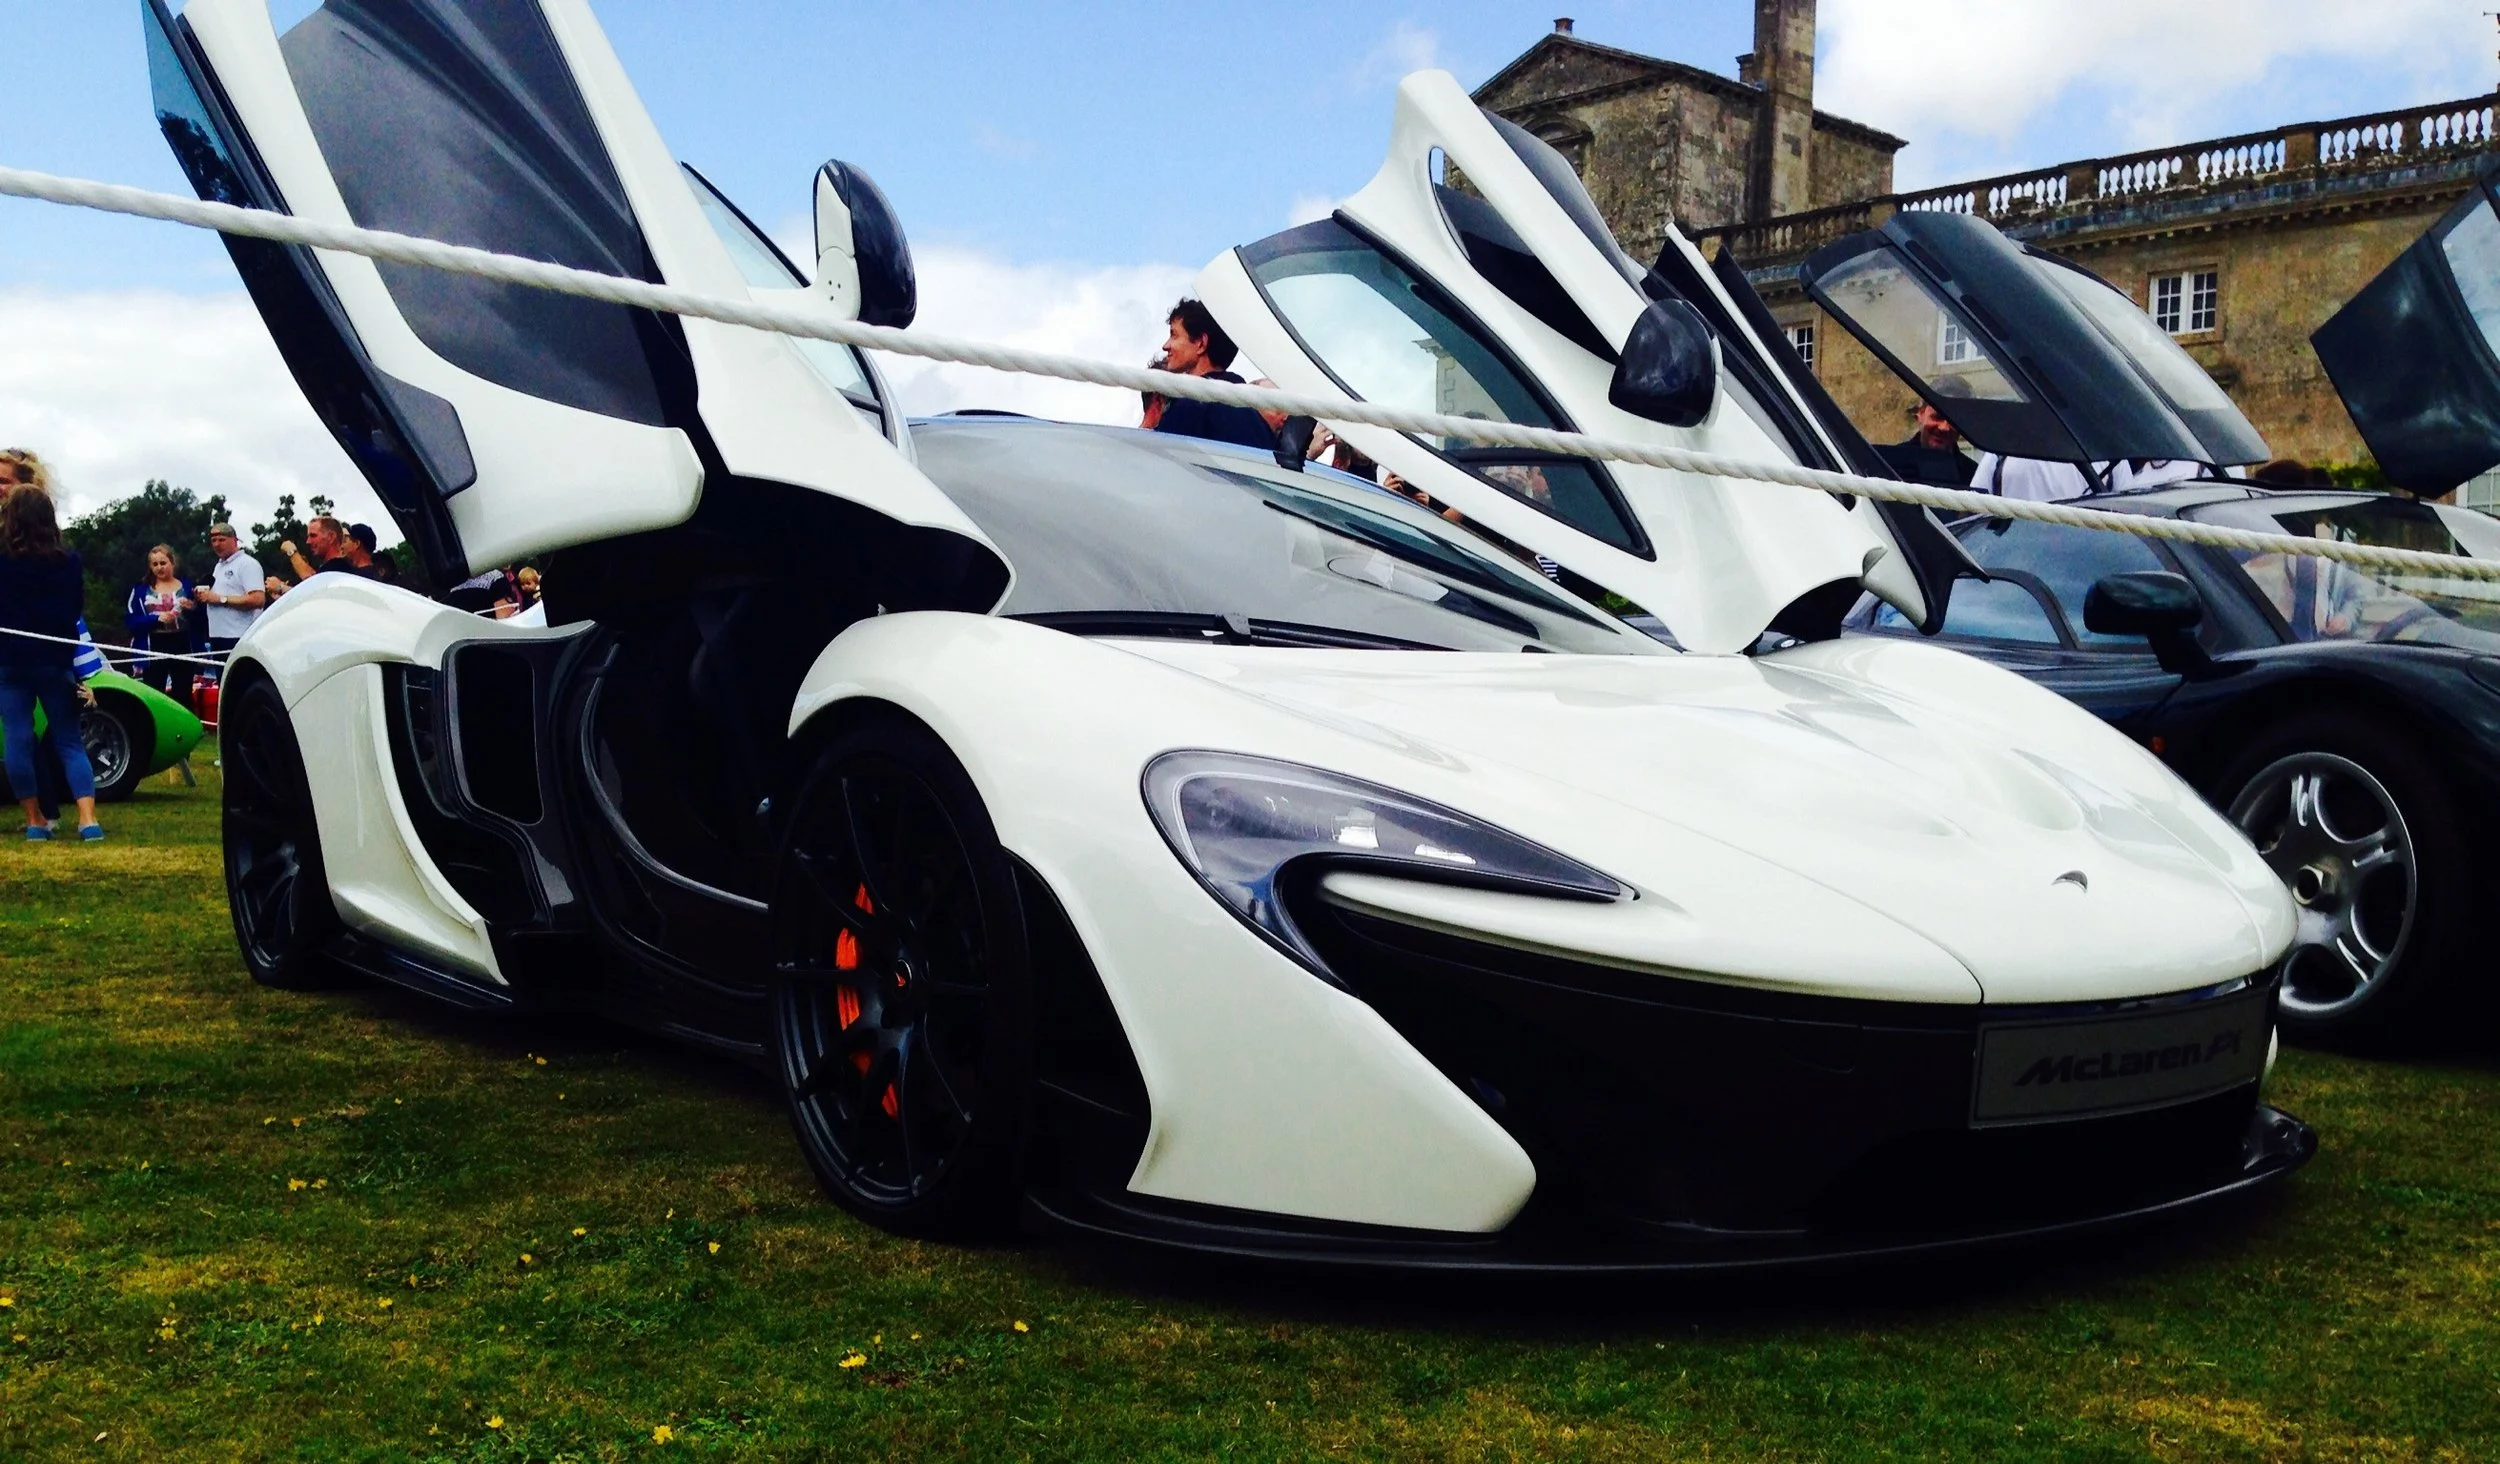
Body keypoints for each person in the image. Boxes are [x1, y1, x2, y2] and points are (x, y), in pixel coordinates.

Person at [0, 485, 102, 841]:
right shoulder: (68, 560)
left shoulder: (2, 558)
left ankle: (34, 821)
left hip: (9, 659)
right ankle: (87, 819)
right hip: (54, 658)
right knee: (69, 741)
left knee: (17, 738)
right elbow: (73, 610)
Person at [1147, 300, 1277, 451]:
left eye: (1174, 335)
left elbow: (1160, 460)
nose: (1166, 345)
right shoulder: (1255, 418)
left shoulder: (1191, 405)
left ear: (1201, 344)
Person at [123, 544, 204, 714]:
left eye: (163, 563)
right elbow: (131, 621)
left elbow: (202, 619)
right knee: (154, 692)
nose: (159, 568)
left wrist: (192, 608)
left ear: (172, 563)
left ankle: (184, 729)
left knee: (183, 691)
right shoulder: (140, 590)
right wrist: (155, 619)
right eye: (155, 564)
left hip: (182, 643)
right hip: (154, 644)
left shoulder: (188, 587)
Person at [196, 522, 267, 662]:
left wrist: (220, 599)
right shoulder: (219, 566)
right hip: (217, 636)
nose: (217, 544)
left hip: (239, 636)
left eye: (222, 540)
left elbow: (258, 599)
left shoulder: (247, 564)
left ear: (234, 540)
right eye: (213, 541)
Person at [1875, 403, 1976, 488]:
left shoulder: (1975, 476)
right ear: (1920, 414)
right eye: (1937, 417)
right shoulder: (1890, 464)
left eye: (1953, 421)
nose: (1944, 427)